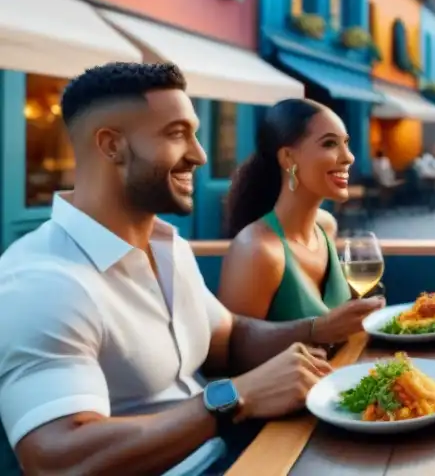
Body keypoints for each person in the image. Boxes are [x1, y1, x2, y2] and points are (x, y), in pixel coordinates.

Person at [0, 63, 384, 475]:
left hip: (239, 455)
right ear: (112, 146)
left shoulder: (169, 248)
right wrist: (233, 397)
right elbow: (56, 460)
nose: (200, 155)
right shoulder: (43, 283)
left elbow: (229, 339)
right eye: (177, 134)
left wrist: (317, 330)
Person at [218, 99, 387, 321]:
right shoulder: (256, 250)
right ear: (288, 158)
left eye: (346, 143)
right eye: (330, 144)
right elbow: (232, 350)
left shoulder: (326, 227)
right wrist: (320, 330)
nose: (349, 157)